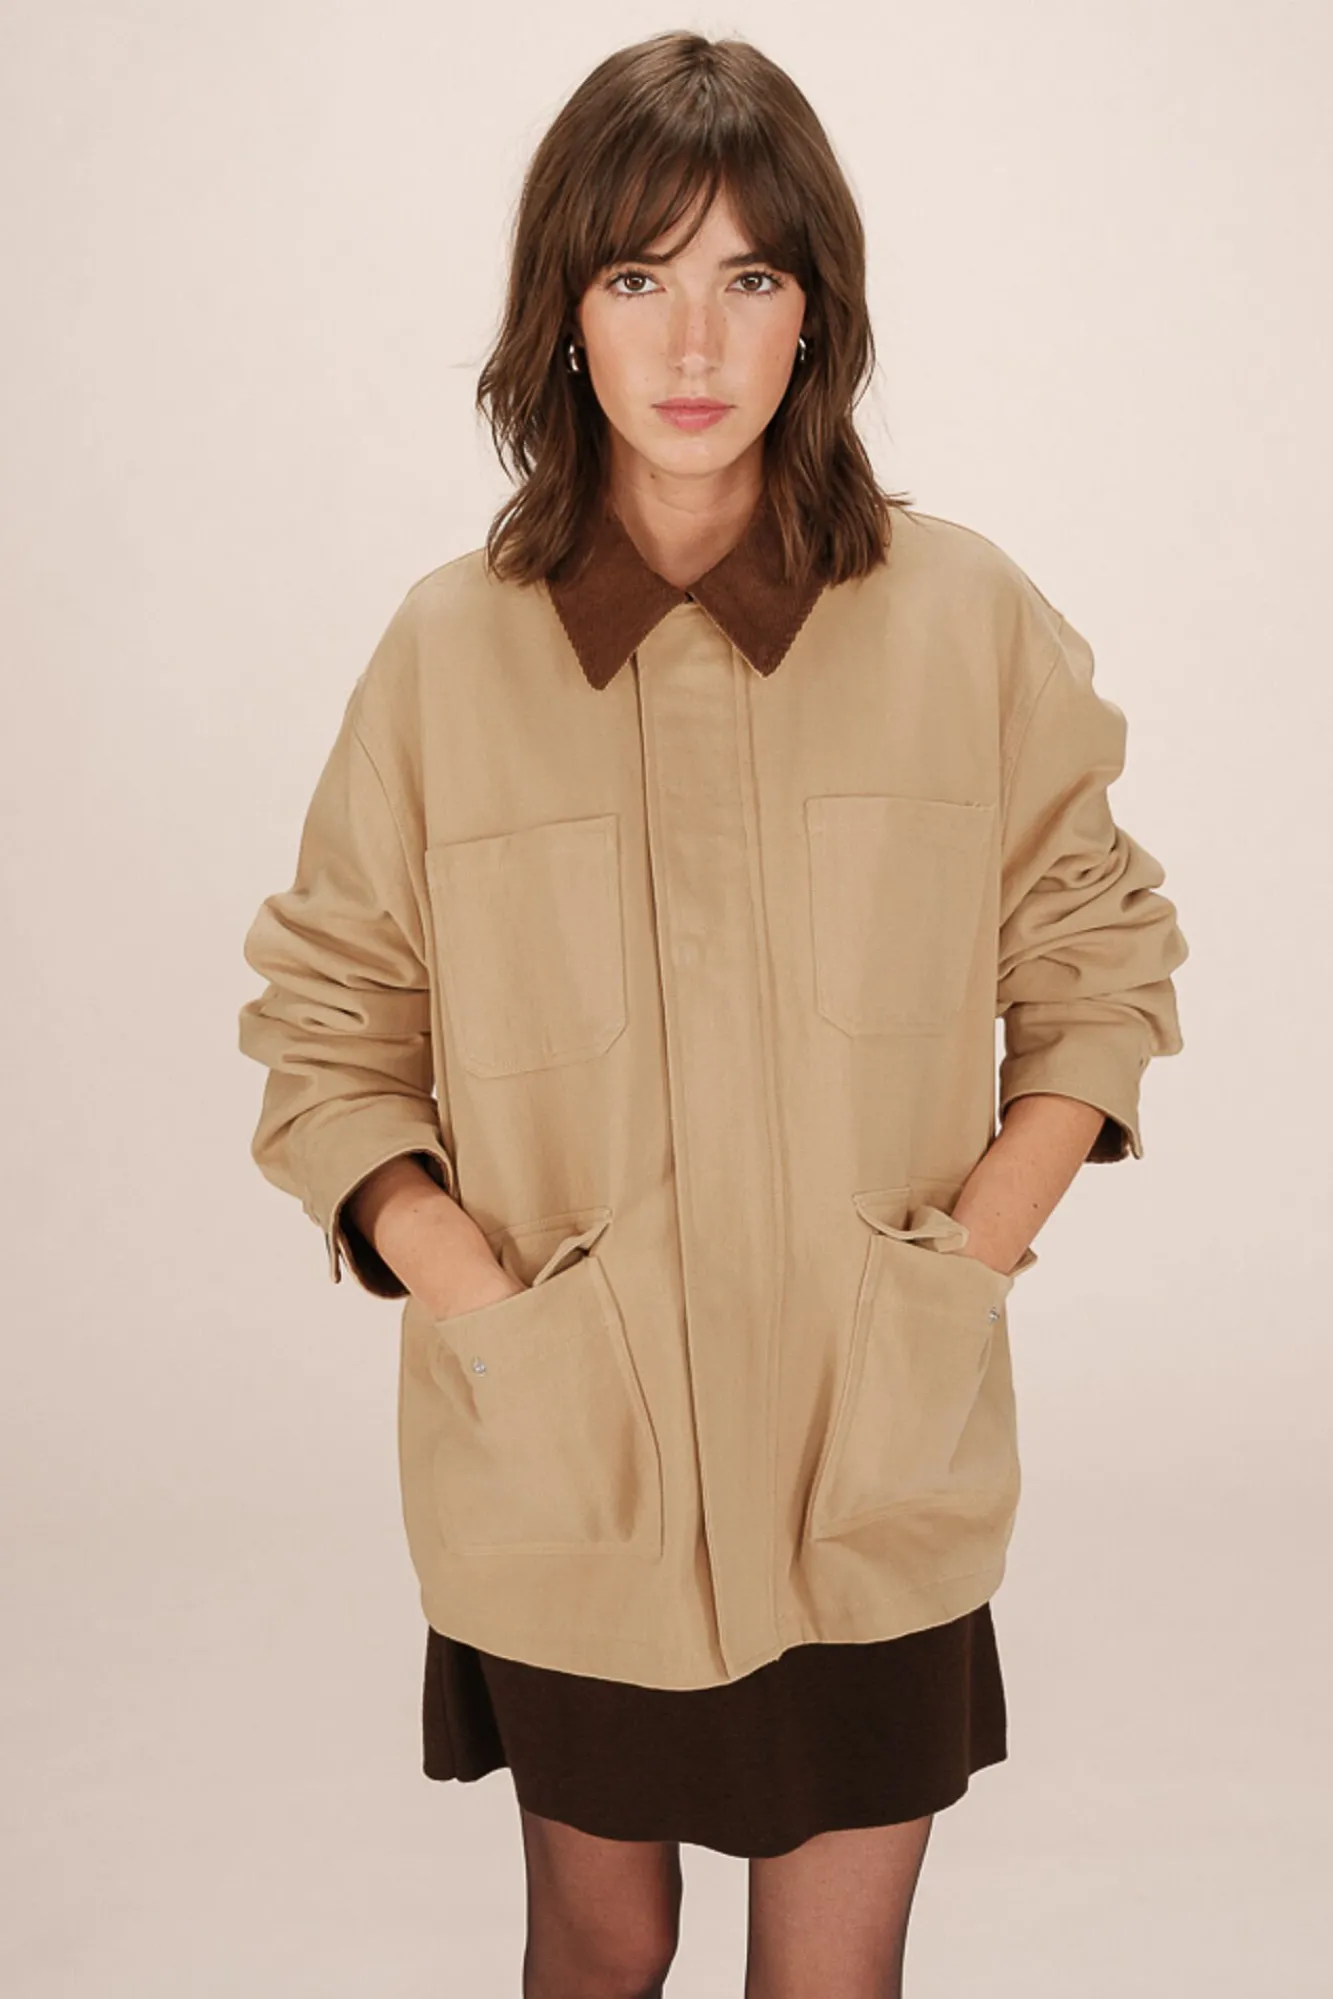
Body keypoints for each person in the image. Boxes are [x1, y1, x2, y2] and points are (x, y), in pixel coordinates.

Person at [237, 29, 1188, 1998]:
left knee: (835, 1981)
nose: (694, 340)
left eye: (750, 274)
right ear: (563, 313)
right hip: (575, 1467)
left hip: (873, 1448)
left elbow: (1096, 965)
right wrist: (482, 1309)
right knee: (600, 1949)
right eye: (637, 275)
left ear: (814, 310)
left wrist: (963, 1267)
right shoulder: (447, 656)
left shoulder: (962, 620)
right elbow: (330, 1031)